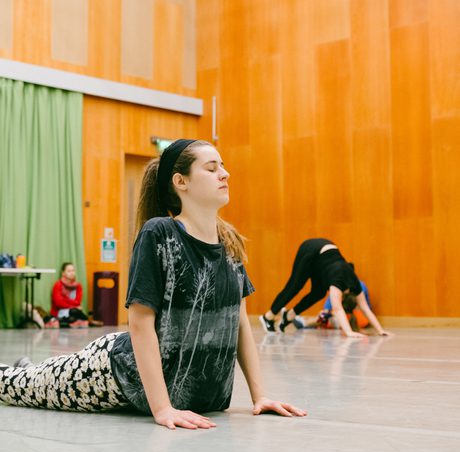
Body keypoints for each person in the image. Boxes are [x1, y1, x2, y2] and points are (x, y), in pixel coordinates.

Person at [0, 139, 306, 429]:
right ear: (180, 182)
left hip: (200, 398)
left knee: (32, 376)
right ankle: (24, 371)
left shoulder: (230, 243)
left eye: (222, 166)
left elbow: (239, 323)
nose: (224, 174)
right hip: (113, 373)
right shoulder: (159, 233)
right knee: (14, 387)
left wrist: (259, 396)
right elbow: (140, 324)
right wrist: (162, 408)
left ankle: (29, 367)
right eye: (211, 168)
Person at [259, 238, 392, 338]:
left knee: (319, 293)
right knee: (294, 286)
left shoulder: (355, 284)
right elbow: (337, 308)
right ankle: (268, 317)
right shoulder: (338, 284)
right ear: (344, 295)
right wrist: (349, 332)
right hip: (311, 250)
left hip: (323, 259)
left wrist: (380, 330)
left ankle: (288, 316)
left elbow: (366, 309)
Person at [293, 277, 371, 330]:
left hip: (357, 318)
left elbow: (356, 307)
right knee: (326, 315)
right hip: (352, 318)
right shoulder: (339, 286)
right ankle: (305, 321)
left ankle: (306, 322)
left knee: (328, 317)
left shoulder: (358, 286)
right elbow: (327, 308)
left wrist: (329, 313)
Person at [50, 262, 89, 328]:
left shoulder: (78, 286)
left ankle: (69, 321)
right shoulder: (58, 285)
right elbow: (58, 302)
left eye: (73, 270)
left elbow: (78, 302)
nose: (72, 273)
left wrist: (64, 300)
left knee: (75, 312)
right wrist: (72, 306)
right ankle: (80, 320)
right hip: (60, 311)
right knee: (75, 311)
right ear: (63, 273)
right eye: (69, 271)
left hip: (73, 311)